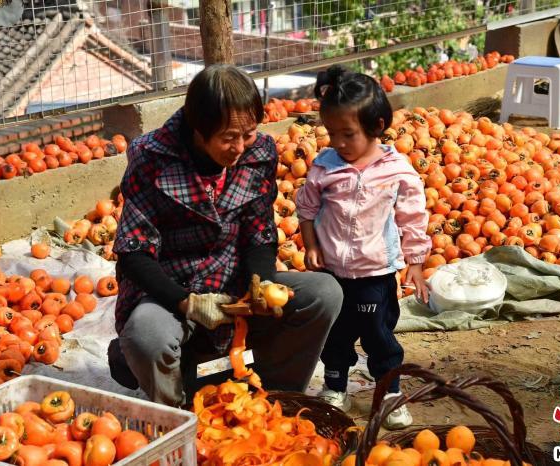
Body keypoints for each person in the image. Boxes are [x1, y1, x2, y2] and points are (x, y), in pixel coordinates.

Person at [107, 64, 343, 407]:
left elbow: (259, 232)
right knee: (147, 335)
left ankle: (274, 399)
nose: (240, 147)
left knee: (324, 293)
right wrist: (187, 301)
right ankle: (177, 419)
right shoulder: (152, 158)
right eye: (228, 137)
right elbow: (134, 253)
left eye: (247, 133)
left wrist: (259, 283)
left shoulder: (258, 152)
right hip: (170, 291)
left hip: (233, 285)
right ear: (197, 130)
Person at [295, 65, 431, 429]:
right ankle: (335, 384)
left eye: (348, 134)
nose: (338, 142)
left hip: (375, 272)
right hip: (332, 273)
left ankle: (390, 392)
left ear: (377, 126)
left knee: (378, 335)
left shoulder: (396, 169)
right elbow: (305, 208)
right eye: (331, 133)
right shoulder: (324, 166)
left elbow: (412, 216)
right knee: (335, 334)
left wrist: (415, 263)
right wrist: (310, 246)